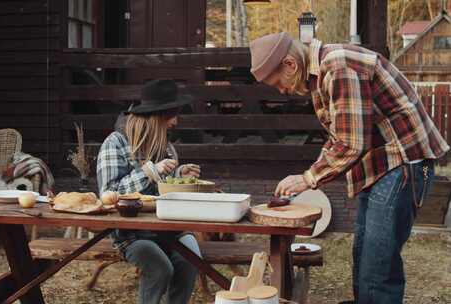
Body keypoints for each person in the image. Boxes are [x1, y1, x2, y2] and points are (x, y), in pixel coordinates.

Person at [249, 32, 449, 304]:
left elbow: (351, 143)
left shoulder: (338, 65)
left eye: (277, 83)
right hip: (381, 166)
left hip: (402, 162)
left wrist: (308, 178)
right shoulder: (321, 75)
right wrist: (312, 173)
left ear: (290, 65)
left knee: (378, 268)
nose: (281, 91)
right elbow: (338, 136)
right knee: (364, 257)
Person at [96, 79, 202, 304]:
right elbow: (108, 195)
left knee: (191, 260)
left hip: (171, 228)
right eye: (172, 114)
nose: (175, 121)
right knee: (160, 269)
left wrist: (179, 176)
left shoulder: (166, 146)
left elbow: (163, 191)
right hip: (132, 234)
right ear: (156, 117)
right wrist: (149, 171)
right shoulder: (114, 143)